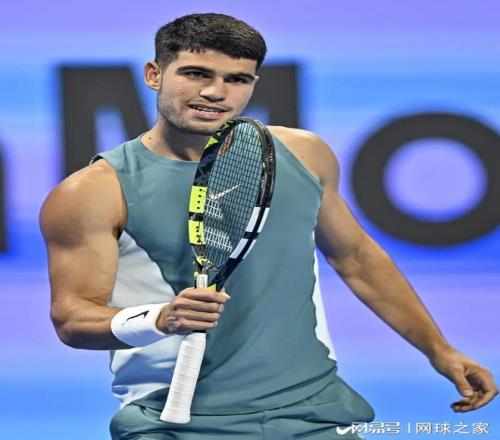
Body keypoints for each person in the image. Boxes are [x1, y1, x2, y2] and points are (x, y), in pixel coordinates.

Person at [40, 12, 497, 440]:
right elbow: (72, 318)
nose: (216, 92)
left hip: (315, 410)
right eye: (196, 73)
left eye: (237, 79)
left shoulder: (303, 154)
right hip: (174, 419)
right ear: (154, 74)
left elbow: (357, 259)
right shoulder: (93, 191)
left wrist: (439, 350)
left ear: (253, 84)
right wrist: (159, 319)